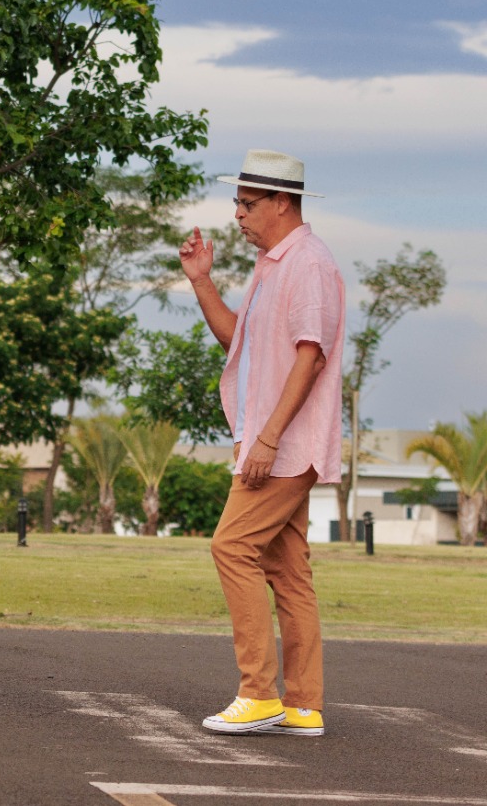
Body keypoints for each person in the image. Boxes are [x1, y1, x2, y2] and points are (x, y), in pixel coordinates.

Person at [179, 150, 345, 738]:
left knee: (231, 548)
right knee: (289, 570)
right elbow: (238, 344)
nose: (238, 217)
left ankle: (258, 693)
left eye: (247, 205)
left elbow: (311, 353)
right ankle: (302, 705)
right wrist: (202, 282)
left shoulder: (307, 263)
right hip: (271, 440)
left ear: (282, 202)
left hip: (282, 444)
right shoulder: (273, 265)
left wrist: (269, 439)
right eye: (237, 204)